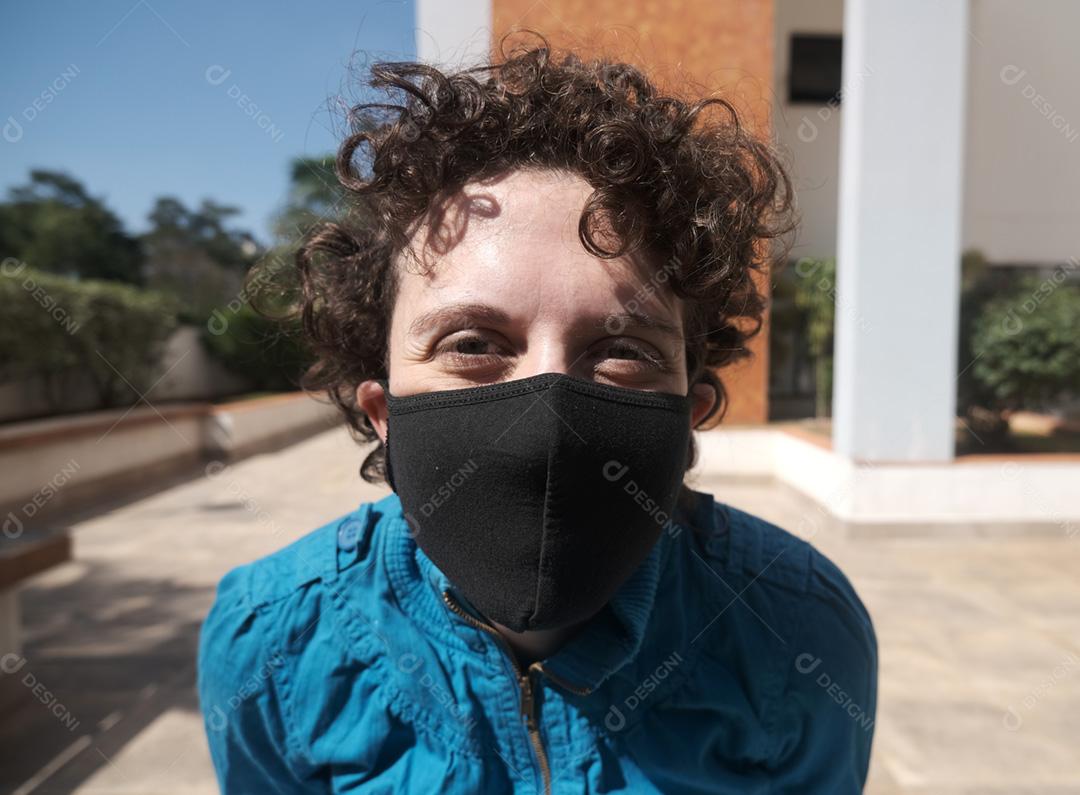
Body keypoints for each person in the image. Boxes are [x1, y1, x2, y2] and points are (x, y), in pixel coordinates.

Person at [197, 33, 877, 794]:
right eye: (474, 342)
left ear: (694, 412)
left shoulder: (798, 629)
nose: (549, 402)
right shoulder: (273, 642)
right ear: (383, 411)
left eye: (622, 350)